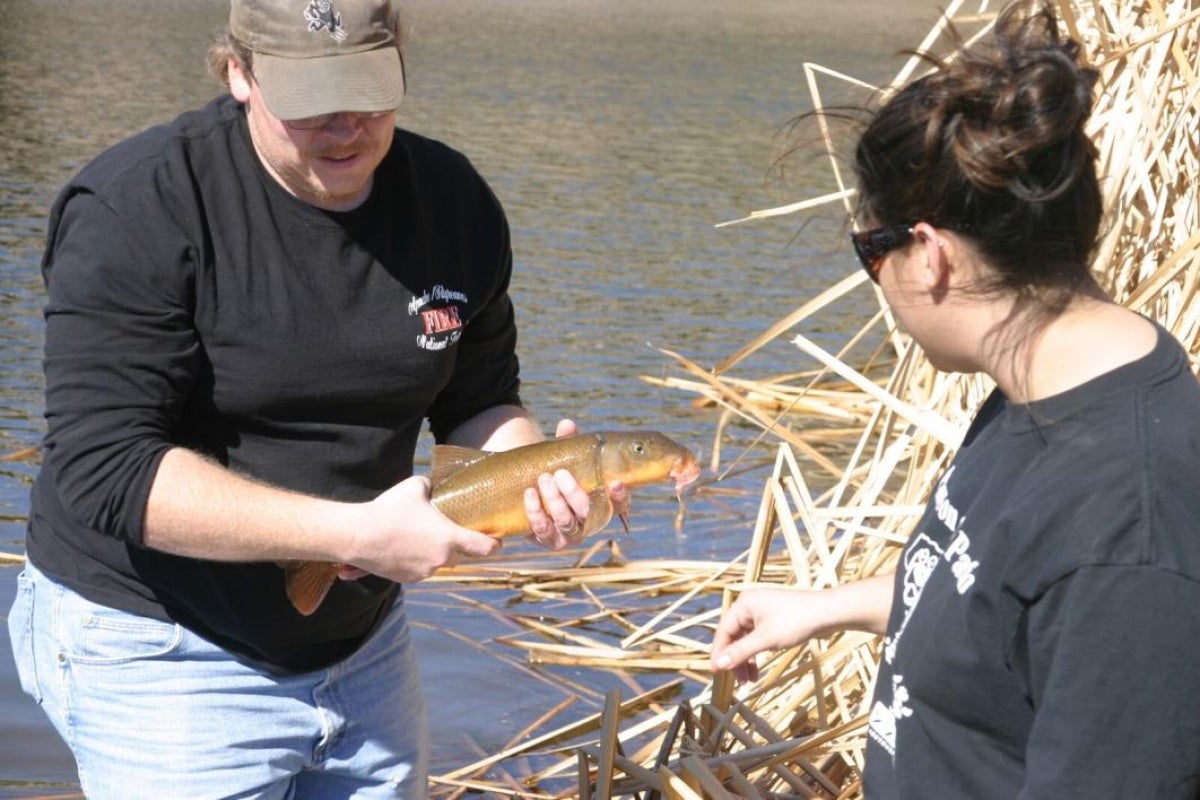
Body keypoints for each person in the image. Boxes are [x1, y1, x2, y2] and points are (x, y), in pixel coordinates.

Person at [6, 0, 627, 797]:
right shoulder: (138, 208)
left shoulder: (452, 200)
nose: (346, 127)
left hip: (360, 644)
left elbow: (480, 401)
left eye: (369, 91)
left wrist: (531, 476)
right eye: (311, 101)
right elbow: (108, 471)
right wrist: (356, 535)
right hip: (161, 642)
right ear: (239, 73)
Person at [710, 2, 1200, 797]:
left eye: (873, 248)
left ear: (930, 254)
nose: (876, 279)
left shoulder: (1131, 540)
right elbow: (1002, 596)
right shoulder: (1044, 381)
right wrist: (826, 606)